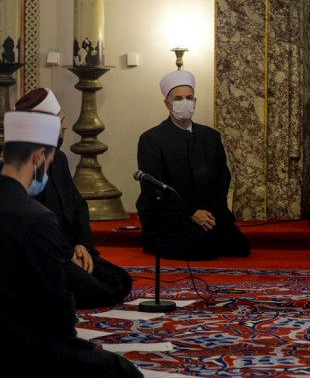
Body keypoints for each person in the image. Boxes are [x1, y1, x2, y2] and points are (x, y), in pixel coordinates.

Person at [0, 111, 142, 377]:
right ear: (38, 158)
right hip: (19, 349)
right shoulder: (36, 219)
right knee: (120, 370)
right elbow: (57, 314)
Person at [13, 88, 132, 308]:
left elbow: (78, 206)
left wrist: (82, 245)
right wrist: (68, 254)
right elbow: (35, 226)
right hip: (45, 255)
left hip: (69, 249)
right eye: (61, 121)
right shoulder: (23, 167)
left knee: (120, 280)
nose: (66, 126)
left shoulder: (58, 158)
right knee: (98, 291)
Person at [137, 70, 249, 260]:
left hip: (209, 212)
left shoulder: (211, 137)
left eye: (189, 98)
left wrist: (210, 212)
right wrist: (191, 213)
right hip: (171, 217)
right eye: (178, 98)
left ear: (195, 101)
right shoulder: (151, 139)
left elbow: (222, 179)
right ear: (167, 103)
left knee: (238, 246)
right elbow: (154, 189)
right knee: (196, 248)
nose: (185, 102)